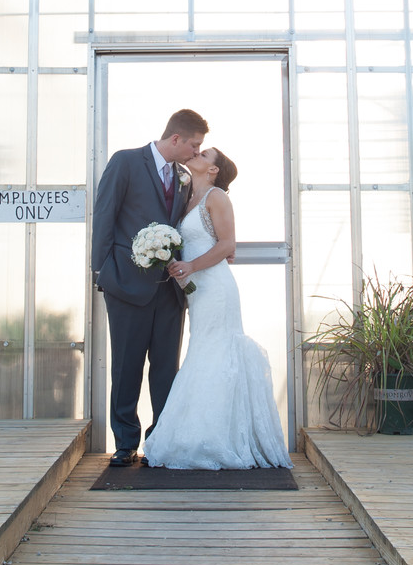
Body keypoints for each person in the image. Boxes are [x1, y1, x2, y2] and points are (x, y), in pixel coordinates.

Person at [142, 147, 292, 471]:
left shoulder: (217, 196)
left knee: (215, 352)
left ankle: (220, 439)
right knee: (202, 352)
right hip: (197, 290)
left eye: (204, 154)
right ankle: (196, 434)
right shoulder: (186, 197)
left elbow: (227, 245)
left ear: (212, 171)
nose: (196, 154)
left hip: (217, 290)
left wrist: (191, 266)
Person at [91, 109, 208, 467]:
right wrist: (102, 273)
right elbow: (104, 217)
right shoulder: (125, 163)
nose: (195, 151)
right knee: (126, 367)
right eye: (194, 144)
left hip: (169, 292)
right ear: (176, 139)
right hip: (126, 287)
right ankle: (125, 442)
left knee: (165, 369)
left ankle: (160, 440)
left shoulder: (184, 178)